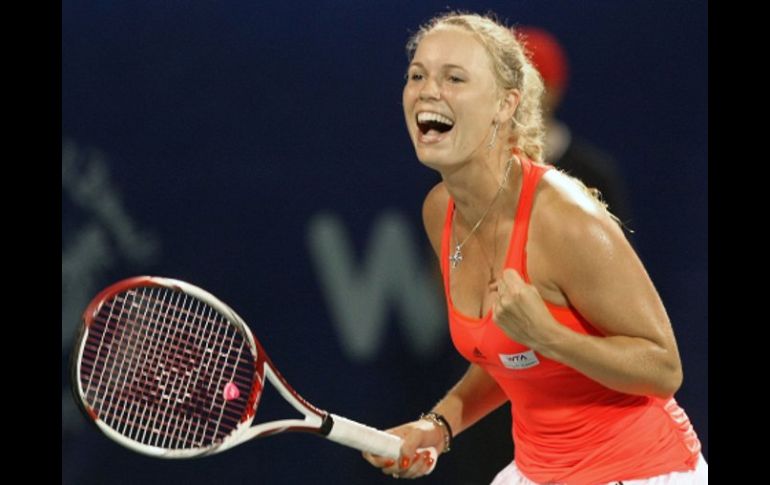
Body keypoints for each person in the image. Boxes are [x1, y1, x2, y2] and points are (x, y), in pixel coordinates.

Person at [362, 12, 706, 484]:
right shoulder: (439, 210)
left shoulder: (563, 217)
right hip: (535, 470)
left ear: (506, 104)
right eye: (417, 75)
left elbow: (663, 368)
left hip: (641, 469)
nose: (427, 90)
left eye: (454, 77)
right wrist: (439, 424)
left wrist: (549, 336)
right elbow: (504, 355)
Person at [515, 26, 632, 228]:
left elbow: (616, 254)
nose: (524, 94)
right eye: (516, 84)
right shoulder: (476, 171)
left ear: (556, 90)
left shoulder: (594, 174)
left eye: (537, 83)